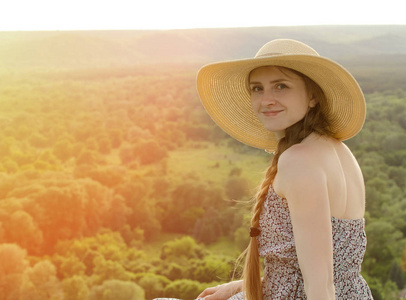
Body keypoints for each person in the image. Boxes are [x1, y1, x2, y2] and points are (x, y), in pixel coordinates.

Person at [157, 39, 373, 300]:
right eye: (257, 88)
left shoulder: (299, 160)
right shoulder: (337, 149)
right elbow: (313, 269)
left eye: (281, 86)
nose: (266, 99)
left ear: (313, 95)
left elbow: (321, 286)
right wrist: (241, 286)